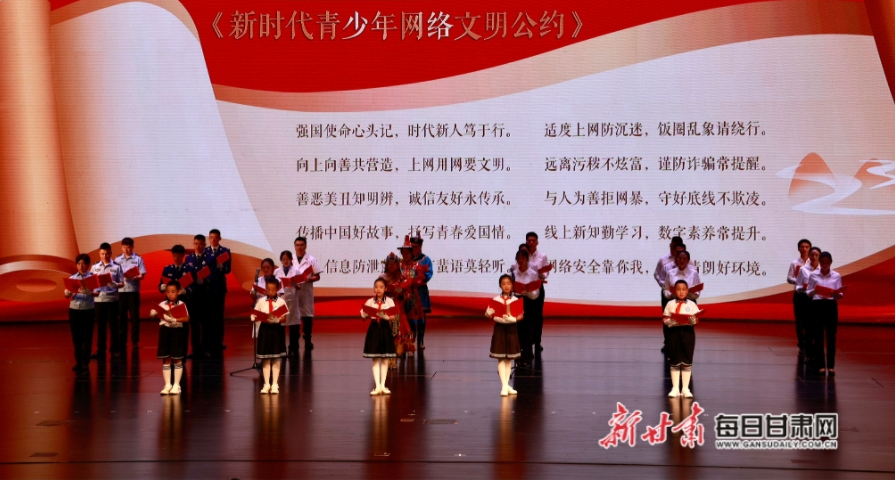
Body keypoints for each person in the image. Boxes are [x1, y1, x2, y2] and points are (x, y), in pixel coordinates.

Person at [806, 252, 844, 376]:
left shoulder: (836, 275)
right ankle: (821, 365)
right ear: (820, 263)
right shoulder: (813, 275)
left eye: (827, 263)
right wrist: (815, 291)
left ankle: (831, 366)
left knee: (831, 336)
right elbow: (808, 292)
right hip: (817, 305)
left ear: (831, 263)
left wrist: (836, 294)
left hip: (830, 305)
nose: (825, 265)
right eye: (822, 263)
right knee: (818, 336)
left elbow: (840, 293)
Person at [485, 274, 523, 396]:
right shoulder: (496, 299)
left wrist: (515, 319)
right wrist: (487, 314)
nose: (506, 286)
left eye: (508, 283)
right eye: (503, 284)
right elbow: (490, 314)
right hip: (500, 329)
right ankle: (504, 386)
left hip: (512, 329)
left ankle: (506, 385)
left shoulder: (516, 300)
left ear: (512, 285)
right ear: (500, 286)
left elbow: (521, 314)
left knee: (509, 358)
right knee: (501, 358)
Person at [150, 281, 190, 395]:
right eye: (168, 292)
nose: (170, 294)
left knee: (177, 358)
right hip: (165, 331)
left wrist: (175, 319)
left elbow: (186, 318)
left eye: (173, 292)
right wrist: (153, 314)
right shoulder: (162, 304)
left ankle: (177, 385)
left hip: (176, 331)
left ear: (178, 292)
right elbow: (157, 314)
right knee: (166, 359)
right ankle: (167, 384)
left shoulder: (181, 304)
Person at [250, 277, 288, 393]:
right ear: (266, 289)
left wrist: (277, 319)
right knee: (266, 359)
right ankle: (266, 384)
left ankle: (275, 384)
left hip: (276, 331)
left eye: (273, 290)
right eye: (268, 289)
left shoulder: (281, 302)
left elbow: (284, 317)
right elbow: (255, 313)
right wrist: (253, 317)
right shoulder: (261, 301)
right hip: (265, 331)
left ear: (277, 289)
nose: (270, 292)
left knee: (276, 358)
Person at [663, 280, 700, 398]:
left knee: (687, 361)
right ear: (675, 291)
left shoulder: (692, 304)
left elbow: (697, 318)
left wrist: (694, 321)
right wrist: (669, 322)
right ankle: (675, 388)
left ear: (687, 291)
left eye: (683, 289)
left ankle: (685, 388)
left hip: (688, 333)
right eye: (678, 289)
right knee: (674, 360)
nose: (681, 292)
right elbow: (665, 318)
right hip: (673, 333)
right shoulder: (670, 304)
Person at [361, 278, 397, 395]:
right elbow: (363, 315)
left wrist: (387, 316)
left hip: (385, 329)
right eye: (376, 287)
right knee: (376, 358)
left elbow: (393, 316)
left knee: (385, 358)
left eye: (381, 287)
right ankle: (377, 386)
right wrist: (364, 314)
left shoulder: (389, 301)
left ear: (385, 289)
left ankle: (383, 385)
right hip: (374, 329)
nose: (378, 289)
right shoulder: (370, 301)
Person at [64, 253, 98, 374]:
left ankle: (85, 362)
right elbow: (67, 294)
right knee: (76, 338)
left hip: (88, 309)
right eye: (78, 264)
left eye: (83, 264)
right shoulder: (72, 277)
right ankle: (78, 361)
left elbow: (98, 293)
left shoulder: (93, 277)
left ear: (88, 265)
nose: (81, 266)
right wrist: (67, 294)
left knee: (87, 337)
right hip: (74, 309)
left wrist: (90, 292)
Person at [380, 252, 415, 366]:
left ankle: (396, 357)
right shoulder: (382, 278)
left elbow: (408, 294)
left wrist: (402, 293)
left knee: (397, 332)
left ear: (397, 265)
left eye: (394, 264)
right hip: (386, 309)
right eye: (389, 264)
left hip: (398, 309)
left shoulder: (402, 278)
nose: (391, 266)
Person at [91, 243, 125, 359]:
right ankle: (101, 350)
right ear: (99, 254)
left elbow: (122, 283)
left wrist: (115, 284)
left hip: (112, 300)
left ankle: (115, 350)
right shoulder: (95, 266)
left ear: (111, 253)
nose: (105, 256)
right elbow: (91, 281)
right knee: (101, 327)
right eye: (102, 254)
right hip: (99, 300)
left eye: (107, 253)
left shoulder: (117, 266)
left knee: (114, 326)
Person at [655, 239, 686, 353]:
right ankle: (668, 342)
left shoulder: (689, 263)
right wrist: (665, 286)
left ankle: (681, 343)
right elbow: (658, 275)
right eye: (675, 250)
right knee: (668, 318)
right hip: (668, 294)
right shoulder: (666, 264)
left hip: (684, 296)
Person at [115, 237, 146, 349]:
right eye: (124, 247)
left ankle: (135, 342)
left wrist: (134, 278)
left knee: (134, 318)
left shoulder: (138, 258)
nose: (126, 250)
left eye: (128, 247)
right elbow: (115, 274)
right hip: (121, 292)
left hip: (133, 292)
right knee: (122, 318)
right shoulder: (117, 259)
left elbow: (142, 275)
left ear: (132, 247)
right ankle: (122, 341)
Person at [186, 236, 214, 359]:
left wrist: (205, 280)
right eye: (196, 243)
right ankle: (195, 349)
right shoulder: (189, 258)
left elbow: (213, 274)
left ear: (204, 245)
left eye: (201, 244)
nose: (198, 246)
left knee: (205, 324)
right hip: (193, 296)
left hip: (205, 294)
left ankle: (206, 349)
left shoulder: (210, 258)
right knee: (194, 324)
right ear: (193, 244)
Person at [511, 249, 540, 368]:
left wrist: (529, 293)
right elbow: (509, 287)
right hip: (517, 301)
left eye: (523, 258)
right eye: (518, 259)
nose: (520, 261)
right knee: (518, 330)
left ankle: (527, 357)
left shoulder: (532, 274)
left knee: (528, 330)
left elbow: (536, 290)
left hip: (528, 301)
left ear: (527, 260)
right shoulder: (513, 273)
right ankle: (518, 357)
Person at [205, 229, 232, 354]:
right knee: (208, 315)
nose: (213, 239)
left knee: (219, 315)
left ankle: (219, 341)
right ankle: (208, 341)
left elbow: (228, 270)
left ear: (219, 238)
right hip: (207, 287)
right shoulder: (205, 251)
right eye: (211, 237)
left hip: (219, 286)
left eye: (215, 237)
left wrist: (222, 266)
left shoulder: (225, 251)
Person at [293, 237, 322, 350]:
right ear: (294, 246)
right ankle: (294, 341)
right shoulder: (290, 259)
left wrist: (308, 279)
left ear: (305, 246)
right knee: (294, 318)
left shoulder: (311, 259)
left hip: (306, 292)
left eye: (302, 245)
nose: (299, 247)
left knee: (307, 317)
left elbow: (317, 276)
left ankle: (308, 341)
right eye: (297, 245)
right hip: (293, 293)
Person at [398, 236, 425, 354]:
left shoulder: (416, 265)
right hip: (401, 296)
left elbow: (421, 278)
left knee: (413, 321)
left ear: (411, 253)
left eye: (407, 253)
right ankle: (401, 344)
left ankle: (411, 345)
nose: (405, 255)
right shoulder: (398, 265)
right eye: (403, 253)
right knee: (401, 322)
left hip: (413, 296)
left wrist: (415, 281)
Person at [794, 246, 821, 361]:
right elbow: (797, 286)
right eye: (812, 255)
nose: (814, 257)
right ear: (809, 256)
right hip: (807, 300)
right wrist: (803, 288)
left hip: (819, 300)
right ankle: (809, 354)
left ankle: (817, 353)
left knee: (818, 328)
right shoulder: (803, 269)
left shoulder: (824, 270)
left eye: (816, 255)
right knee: (808, 328)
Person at [525, 232, 549, 352]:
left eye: (533, 240)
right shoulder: (522, 255)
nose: (531, 243)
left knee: (538, 316)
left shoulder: (542, 256)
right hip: (525, 289)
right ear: (526, 242)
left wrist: (542, 275)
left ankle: (537, 342)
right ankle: (526, 342)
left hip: (538, 287)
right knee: (526, 316)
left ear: (537, 242)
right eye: (529, 240)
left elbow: (546, 271)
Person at [274, 251, 302, 357]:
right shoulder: (276, 272)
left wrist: (294, 283)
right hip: (280, 301)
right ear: (281, 260)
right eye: (283, 259)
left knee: (293, 327)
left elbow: (300, 287)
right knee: (280, 327)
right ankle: (282, 349)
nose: (286, 261)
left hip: (292, 301)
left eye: (288, 259)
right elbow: (273, 286)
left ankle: (293, 348)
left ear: (291, 260)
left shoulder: (297, 271)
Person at [788, 239, 812, 356]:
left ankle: (809, 342)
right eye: (802, 247)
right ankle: (801, 343)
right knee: (799, 320)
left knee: (810, 320)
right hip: (799, 293)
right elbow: (789, 278)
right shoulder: (795, 263)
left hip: (811, 294)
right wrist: (798, 281)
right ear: (798, 249)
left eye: (807, 247)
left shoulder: (814, 263)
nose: (804, 249)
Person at [410, 236, 434, 350]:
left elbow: (429, 272)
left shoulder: (426, 259)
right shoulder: (407, 259)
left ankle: (420, 340)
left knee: (421, 316)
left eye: (415, 247)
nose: (413, 249)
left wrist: (421, 279)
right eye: (411, 247)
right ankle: (410, 341)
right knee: (410, 315)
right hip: (409, 291)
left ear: (420, 247)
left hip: (421, 290)